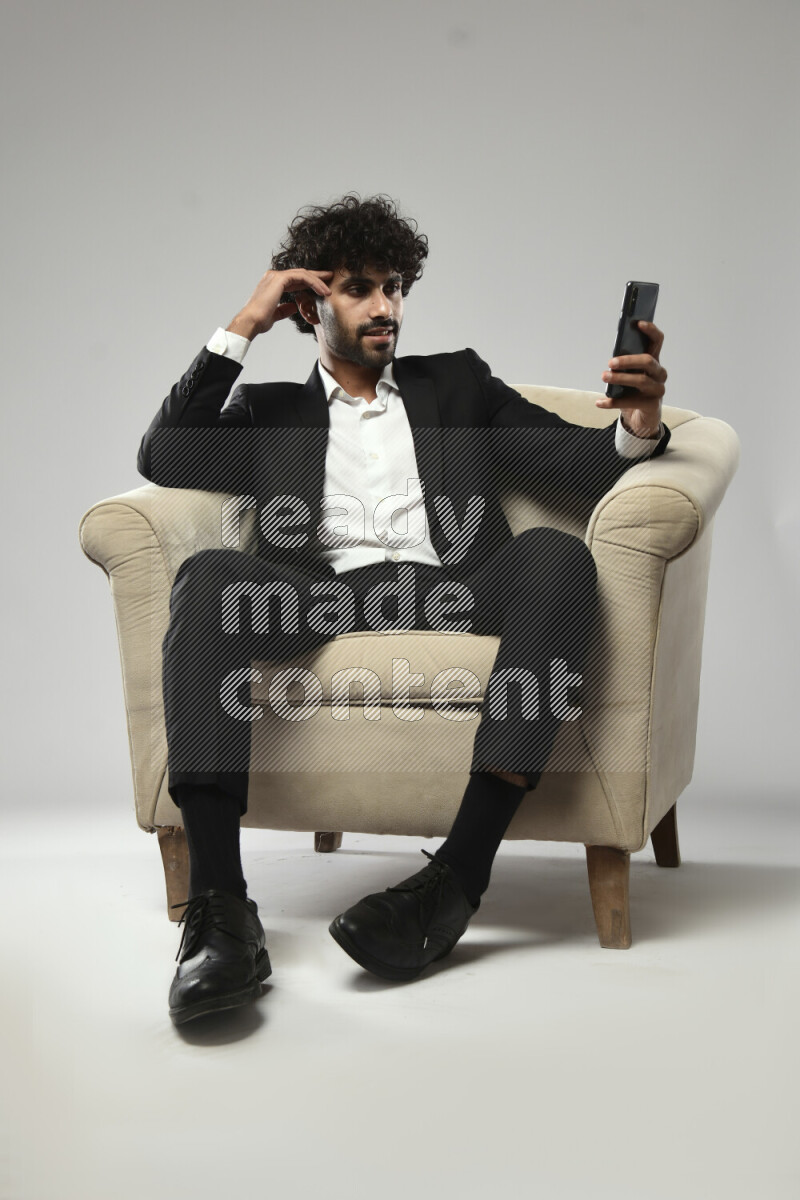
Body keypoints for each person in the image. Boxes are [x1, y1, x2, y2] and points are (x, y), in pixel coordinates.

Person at [138, 194, 669, 1024]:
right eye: (360, 288)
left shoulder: (456, 381)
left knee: (559, 557)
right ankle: (221, 914)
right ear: (309, 305)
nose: (386, 306)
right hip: (327, 600)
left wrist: (638, 423)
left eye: (394, 286)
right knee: (208, 579)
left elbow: (582, 464)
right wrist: (243, 320)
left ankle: (457, 876)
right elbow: (166, 455)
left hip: (456, 591)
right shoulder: (272, 411)